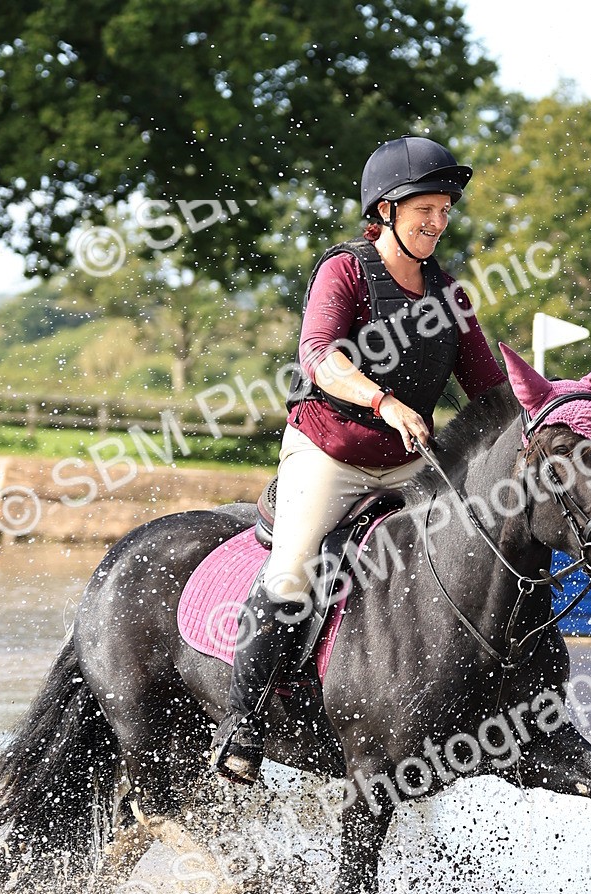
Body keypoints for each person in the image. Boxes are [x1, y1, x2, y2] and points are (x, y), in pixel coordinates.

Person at [210, 135, 509, 784]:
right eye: (424, 209)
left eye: (444, 210)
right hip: (331, 453)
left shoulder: (448, 295)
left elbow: (492, 393)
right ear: (387, 211)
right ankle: (244, 726)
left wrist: (551, 422)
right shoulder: (343, 272)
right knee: (291, 572)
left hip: (408, 466)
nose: (437, 221)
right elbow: (319, 357)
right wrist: (385, 402)